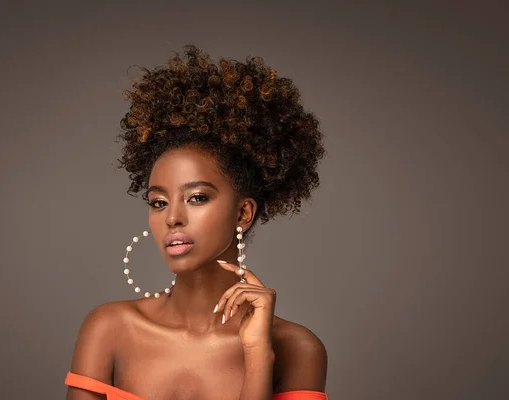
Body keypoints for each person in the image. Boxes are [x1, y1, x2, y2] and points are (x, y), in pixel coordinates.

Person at [65, 45, 328, 400]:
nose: (172, 217)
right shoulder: (109, 328)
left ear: (243, 213)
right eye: (158, 202)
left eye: (197, 198)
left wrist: (258, 356)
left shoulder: (297, 348)